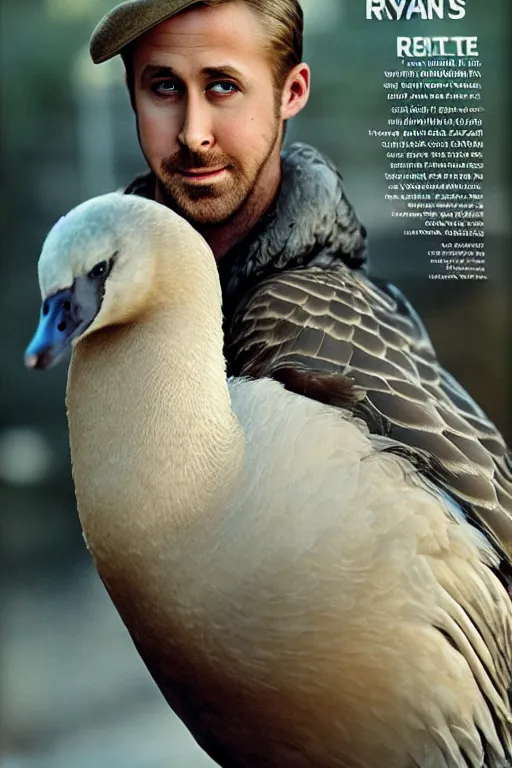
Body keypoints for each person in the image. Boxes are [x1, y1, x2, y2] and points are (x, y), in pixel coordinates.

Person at [88, 0, 512, 762]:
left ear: (291, 93)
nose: (191, 133)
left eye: (223, 86)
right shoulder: (119, 288)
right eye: (163, 87)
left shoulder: (290, 315)